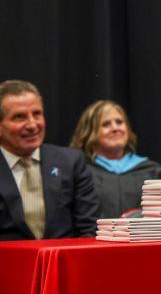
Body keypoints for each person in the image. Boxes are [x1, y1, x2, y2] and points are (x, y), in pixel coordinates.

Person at [0, 80, 100, 239]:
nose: (33, 125)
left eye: (37, 114)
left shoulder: (71, 162)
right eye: (19, 117)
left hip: (63, 262)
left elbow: (89, 228)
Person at [69, 100, 161, 218]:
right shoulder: (81, 171)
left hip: (142, 236)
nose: (115, 128)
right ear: (89, 132)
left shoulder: (152, 171)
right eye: (106, 124)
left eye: (119, 122)